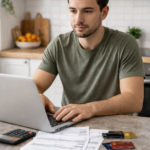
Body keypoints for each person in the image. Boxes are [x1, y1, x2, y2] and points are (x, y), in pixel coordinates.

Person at [33, 0, 144, 123]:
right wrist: (38, 96)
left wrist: (90, 108)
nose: (78, 19)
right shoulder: (59, 45)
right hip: (70, 125)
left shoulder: (125, 44)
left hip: (116, 126)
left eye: (87, 11)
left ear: (104, 12)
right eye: (73, 11)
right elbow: (35, 86)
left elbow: (134, 100)